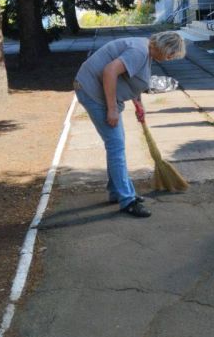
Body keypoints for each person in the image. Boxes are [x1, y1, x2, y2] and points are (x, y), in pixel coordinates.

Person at [73, 31, 186, 218]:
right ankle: (127, 200)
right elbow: (109, 71)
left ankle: (116, 192)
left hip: (94, 90)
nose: (170, 58)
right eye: (171, 54)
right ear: (165, 48)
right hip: (92, 91)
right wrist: (112, 109)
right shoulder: (139, 51)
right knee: (116, 145)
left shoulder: (145, 51)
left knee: (116, 144)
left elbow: (130, 79)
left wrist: (138, 104)